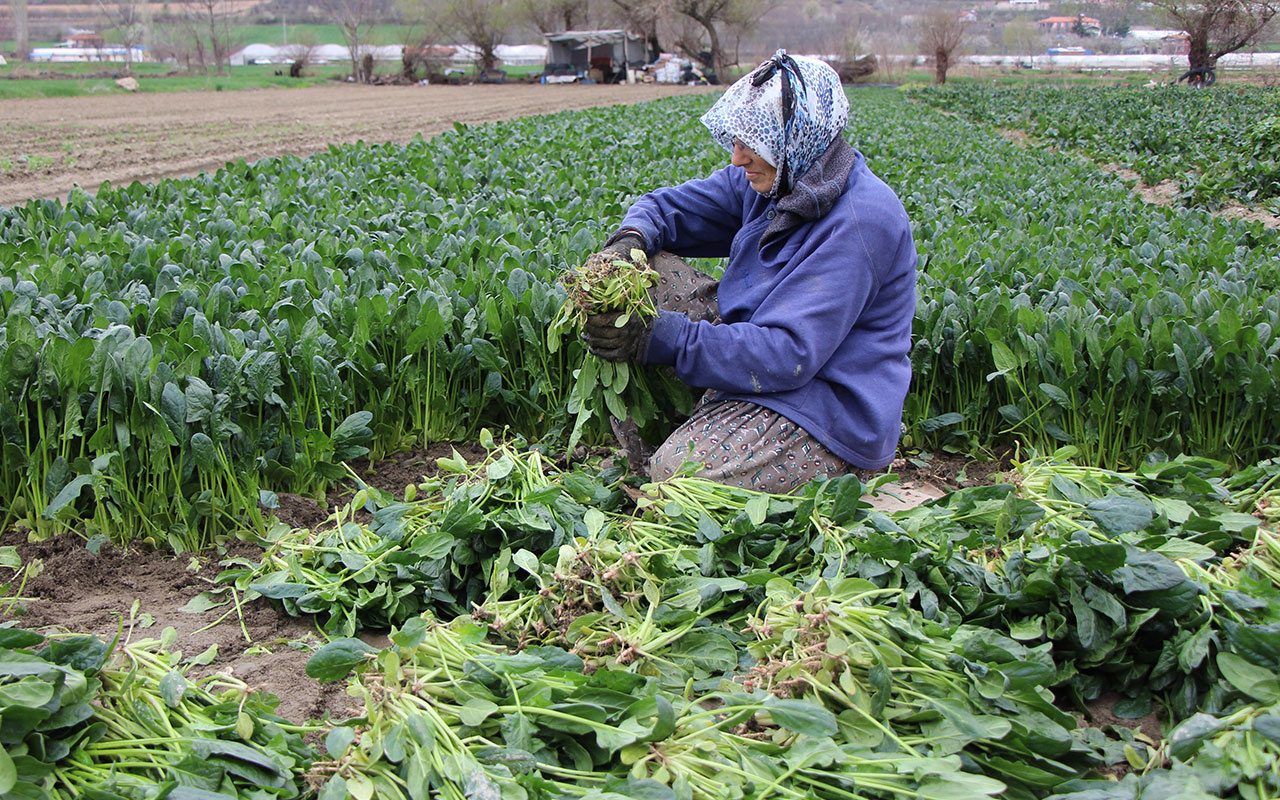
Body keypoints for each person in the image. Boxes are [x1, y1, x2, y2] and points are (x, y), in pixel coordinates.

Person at [582, 50, 917, 494]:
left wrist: (660, 338)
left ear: (798, 137)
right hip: (765, 357)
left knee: (678, 475)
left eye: (752, 143)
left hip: (824, 404)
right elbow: (666, 208)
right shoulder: (778, 179)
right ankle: (714, 425)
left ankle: (834, 469)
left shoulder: (861, 222)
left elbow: (787, 354)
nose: (738, 158)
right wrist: (630, 240)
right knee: (642, 276)